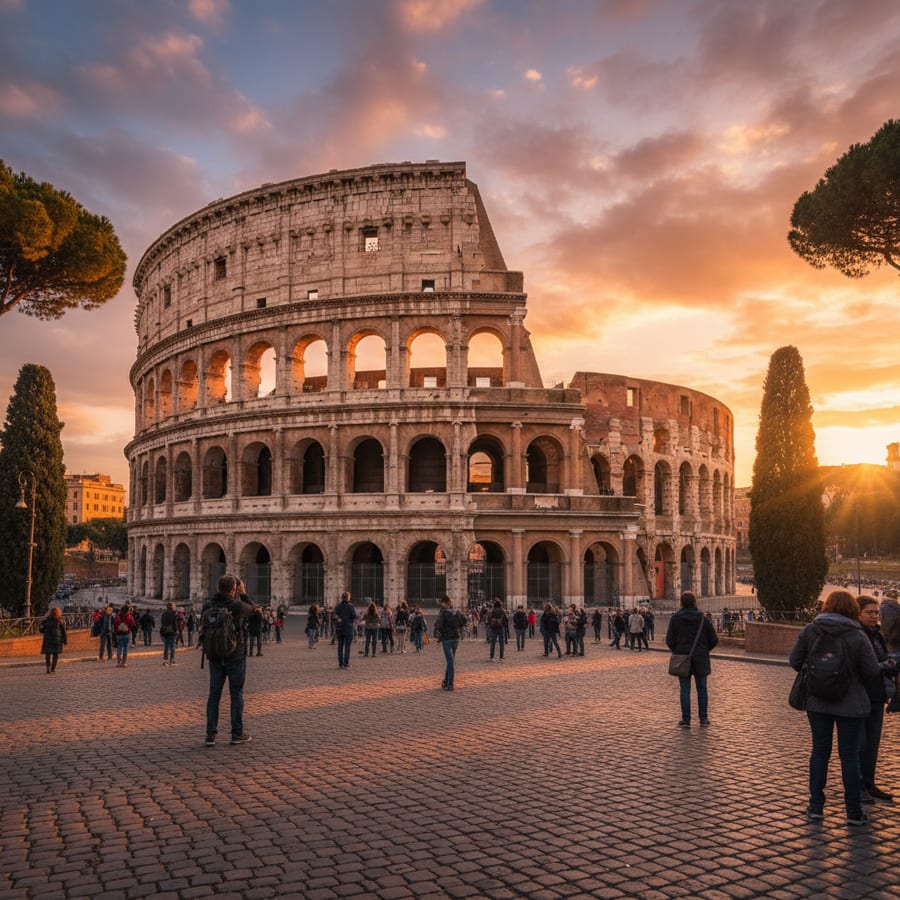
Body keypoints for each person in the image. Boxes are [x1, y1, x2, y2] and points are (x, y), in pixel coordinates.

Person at [789, 589, 882, 824]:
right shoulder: (857, 634)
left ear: (827, 606)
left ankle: (816, 807)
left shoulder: (811, 629)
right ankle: (853, 812)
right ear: (852, 609)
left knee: (820, 752)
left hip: (818, 702)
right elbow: (871, 671)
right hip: (851, 704)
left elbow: (794, 661)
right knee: (848, 756)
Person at [203, 574, 257, 746]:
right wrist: (243, 593)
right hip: (235, 655)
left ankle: (210, 734)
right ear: (234, 589)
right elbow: (253, 610)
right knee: (236, 693)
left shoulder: (208, 605)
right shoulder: (237, 605)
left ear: (218, 588)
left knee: (214, 694)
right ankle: (237, 733)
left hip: (215, 655)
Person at [856, 595, 896, 803]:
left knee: (872, 745)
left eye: (876, 612)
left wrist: (890, 663)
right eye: (869, 612)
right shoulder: (855, 636)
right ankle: (858, 787)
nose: (874, 616)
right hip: (858, 697)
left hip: (877, 695)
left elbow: (879, 661)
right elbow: (863, 667)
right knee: (859, 746)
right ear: (858, 614)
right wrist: (884, 666)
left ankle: (869, 783)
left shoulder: (878, 635)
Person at [666, 591, 718, 728]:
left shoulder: (675, 619)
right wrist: (704, 650)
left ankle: (686, 720)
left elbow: (669, 640)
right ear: (695, 602)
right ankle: (703, 719)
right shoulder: (703, 619)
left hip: (683, 659)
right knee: (702, 689)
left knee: (685, 689)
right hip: (701, 659)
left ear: (681, 603)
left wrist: (677, 651)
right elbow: (714, 639)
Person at [434, 595, 464, 690]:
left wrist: (439, 636)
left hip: (447, 639)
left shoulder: (443, 613)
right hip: (456, 639)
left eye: (441, 603)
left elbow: (438, 626)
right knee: (450, 661)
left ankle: (450, 684)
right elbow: (464, 620)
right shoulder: (456, 612)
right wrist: (457, 626)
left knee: (450, 662)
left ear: (444, 603)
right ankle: (446, 681)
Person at [39, 606, 67, 674]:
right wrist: (65, 640)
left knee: (48, 654)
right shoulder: (60, 621)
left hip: (48, 639)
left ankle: (48, 667)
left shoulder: (46, 620)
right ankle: (53, 668)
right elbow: (63, 631)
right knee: (55, 654)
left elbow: (41, 630)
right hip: (57, 639)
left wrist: (44, 632)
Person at [334, 591, 356, 669]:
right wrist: (350, 621)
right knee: (347, 646)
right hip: (348, 628)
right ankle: (346, 663)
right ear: (348, 598)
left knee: (340, 646)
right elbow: (354, 616)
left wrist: (339, 621)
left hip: (340, 628)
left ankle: (340, 663)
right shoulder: (350, 606)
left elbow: (334, 616)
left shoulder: (338, 606)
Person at [159, 601, 178, 667]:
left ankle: (165, 660)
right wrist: (176, 631)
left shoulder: (164, 614)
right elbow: (175, 624)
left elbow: (162, 622)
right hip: (172, 632)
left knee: (166, 647)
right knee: (172, 647)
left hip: (165, 632)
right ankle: (172, 660)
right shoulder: (174, 614)